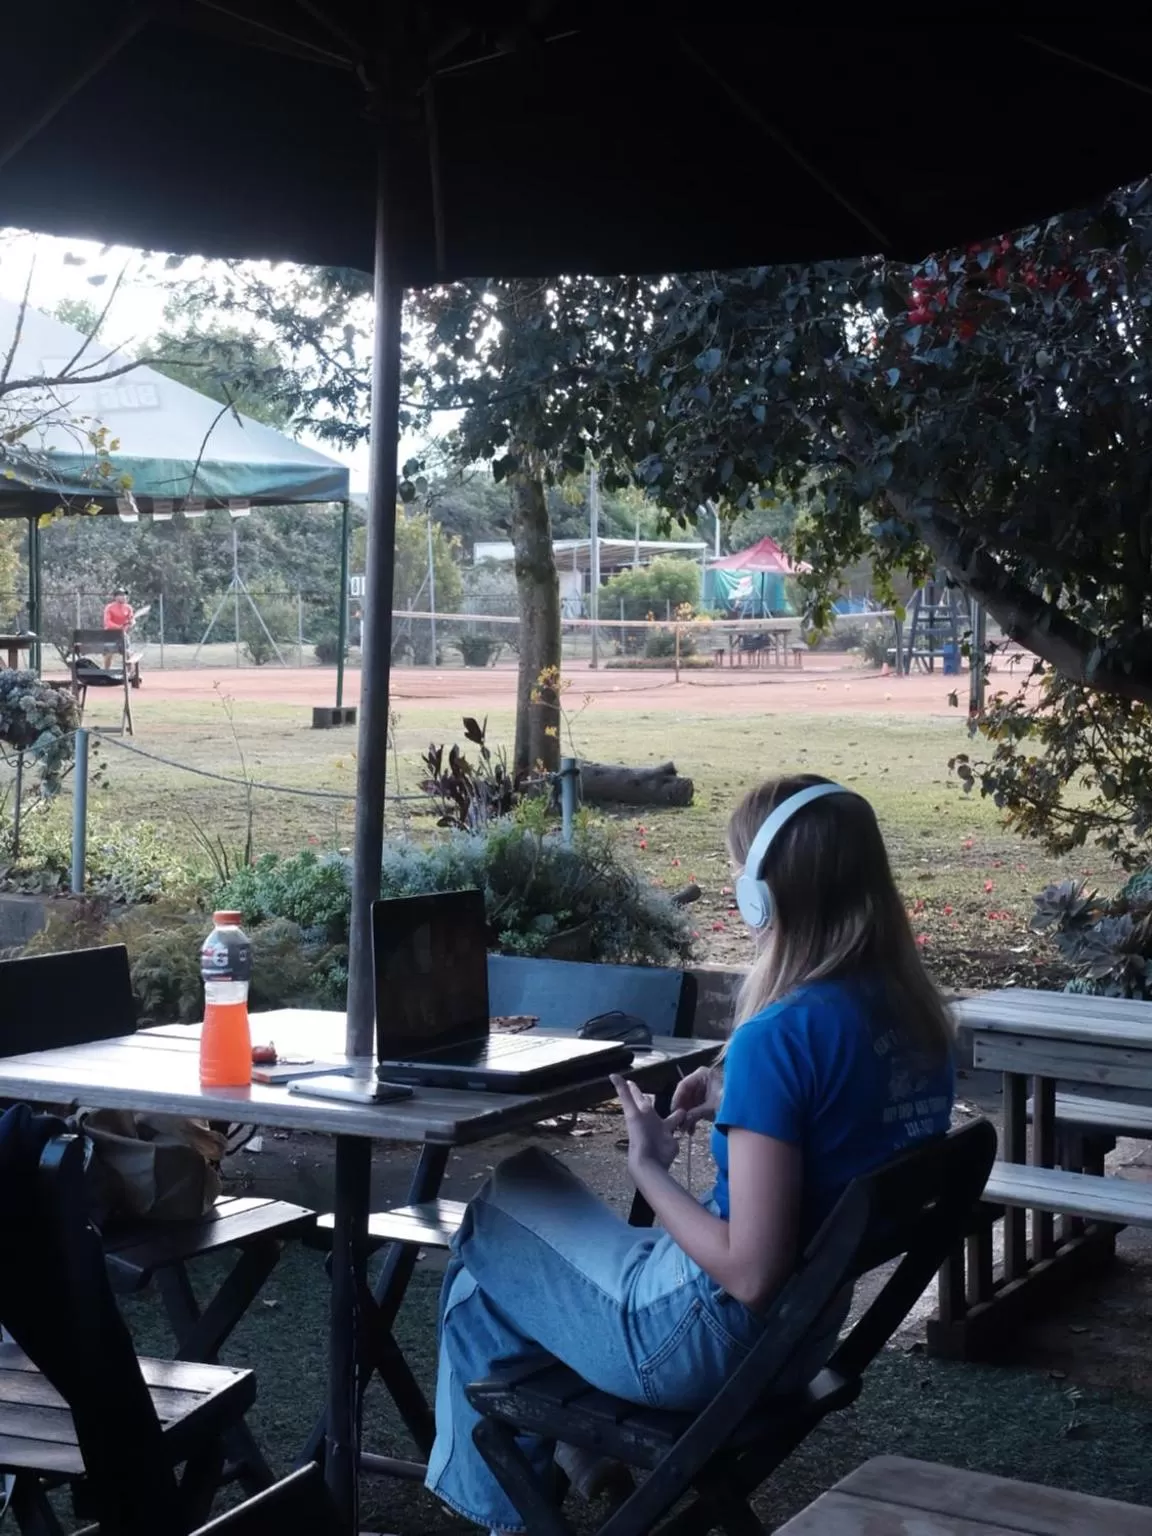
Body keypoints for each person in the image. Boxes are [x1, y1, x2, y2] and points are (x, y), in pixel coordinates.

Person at [425, 774, 955, 1533]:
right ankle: (576, 1470)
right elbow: (834, 1122)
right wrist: (736, 1098)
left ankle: (513, 1513)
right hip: (799, 1341)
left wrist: (646, 1165)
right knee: (502, 1265)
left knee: (505, 1200)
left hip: (692, 1342)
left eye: (743, 871)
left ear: (765, 897)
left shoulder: (783, 1037)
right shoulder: (917, 1022)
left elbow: (749, 1269)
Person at [101, 588, 135, 669]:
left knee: (128, 653)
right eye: (121, 595)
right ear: (115, 597)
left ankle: (129, 673)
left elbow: (132, 619)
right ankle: (106, 672)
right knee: (108, 654)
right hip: (110, 635)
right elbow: (107, 623)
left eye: (125, 595)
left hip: (123, 635)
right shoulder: (109, 607)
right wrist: (119, 627)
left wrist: (132, 623)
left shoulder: (128, 608)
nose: (124, 597)